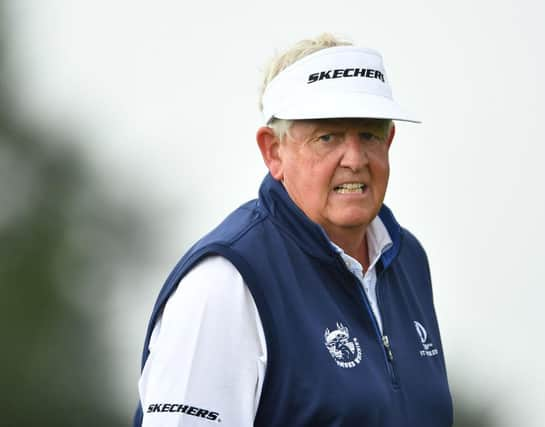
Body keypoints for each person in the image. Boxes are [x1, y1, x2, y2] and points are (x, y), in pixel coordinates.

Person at [134, 33, 453, 427]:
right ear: (273, 151)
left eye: (368, 133)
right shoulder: (226, 281)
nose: (354, 158)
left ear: (389, 141)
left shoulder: (408, 262)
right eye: (327, 137)